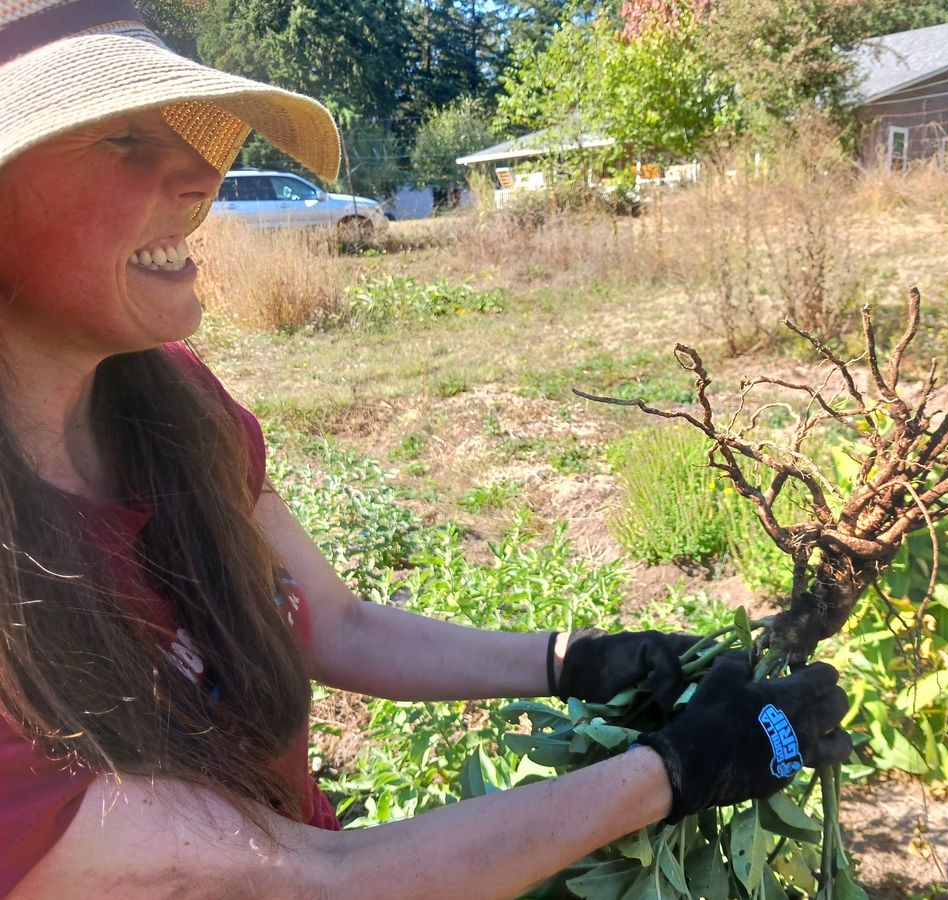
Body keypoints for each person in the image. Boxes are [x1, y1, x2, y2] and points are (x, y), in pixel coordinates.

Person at [0, 3, 854, 897]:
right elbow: (303, 881)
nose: (203, 172)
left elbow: (337, 624)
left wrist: (572, 660)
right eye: (123, 140)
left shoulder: (174, 405)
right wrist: (675, 772)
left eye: (181, 130)